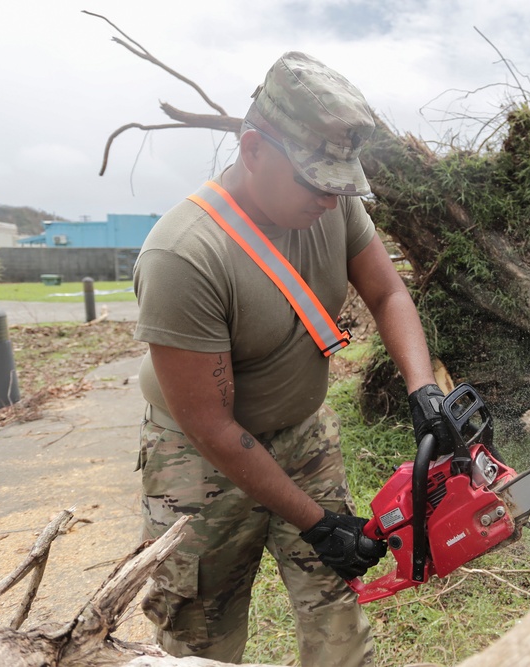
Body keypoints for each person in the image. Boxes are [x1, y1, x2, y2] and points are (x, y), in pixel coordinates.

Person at [132, 51, 452, 666]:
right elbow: (212, 427)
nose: (331, 202)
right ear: (253, 151)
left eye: (341, 184)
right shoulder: (185, 255)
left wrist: (423, 391)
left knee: (338, 608)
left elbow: (387, 292)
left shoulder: (333, 202)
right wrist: (316, 521)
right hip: (198, 464)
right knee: (201, 633)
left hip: (303, 437)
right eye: (316, 182)